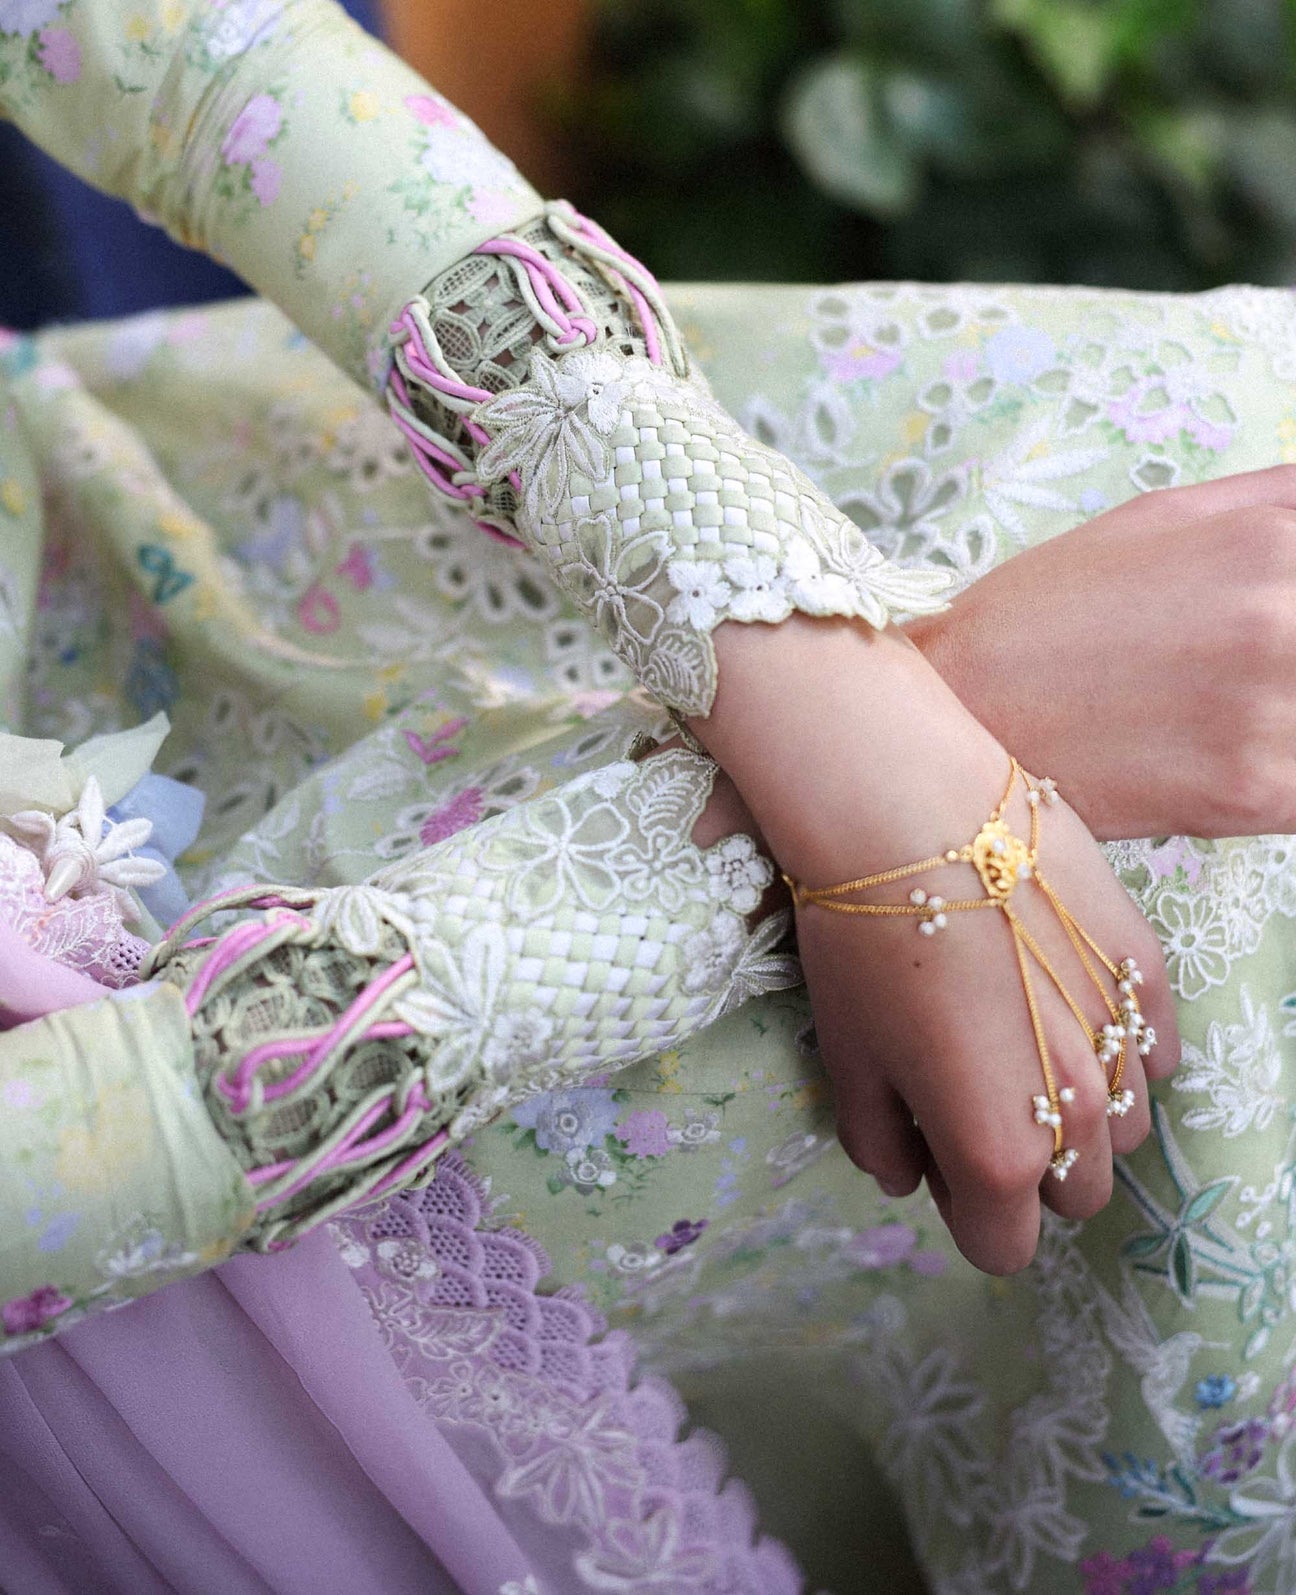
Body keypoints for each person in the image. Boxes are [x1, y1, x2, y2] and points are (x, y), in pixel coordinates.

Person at [0, 1, 1293, 1589]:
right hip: (177, 1193)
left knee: (1216, 443)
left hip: (130, 544)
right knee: (1208, 890)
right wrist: (899, 777)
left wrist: (781, 629)